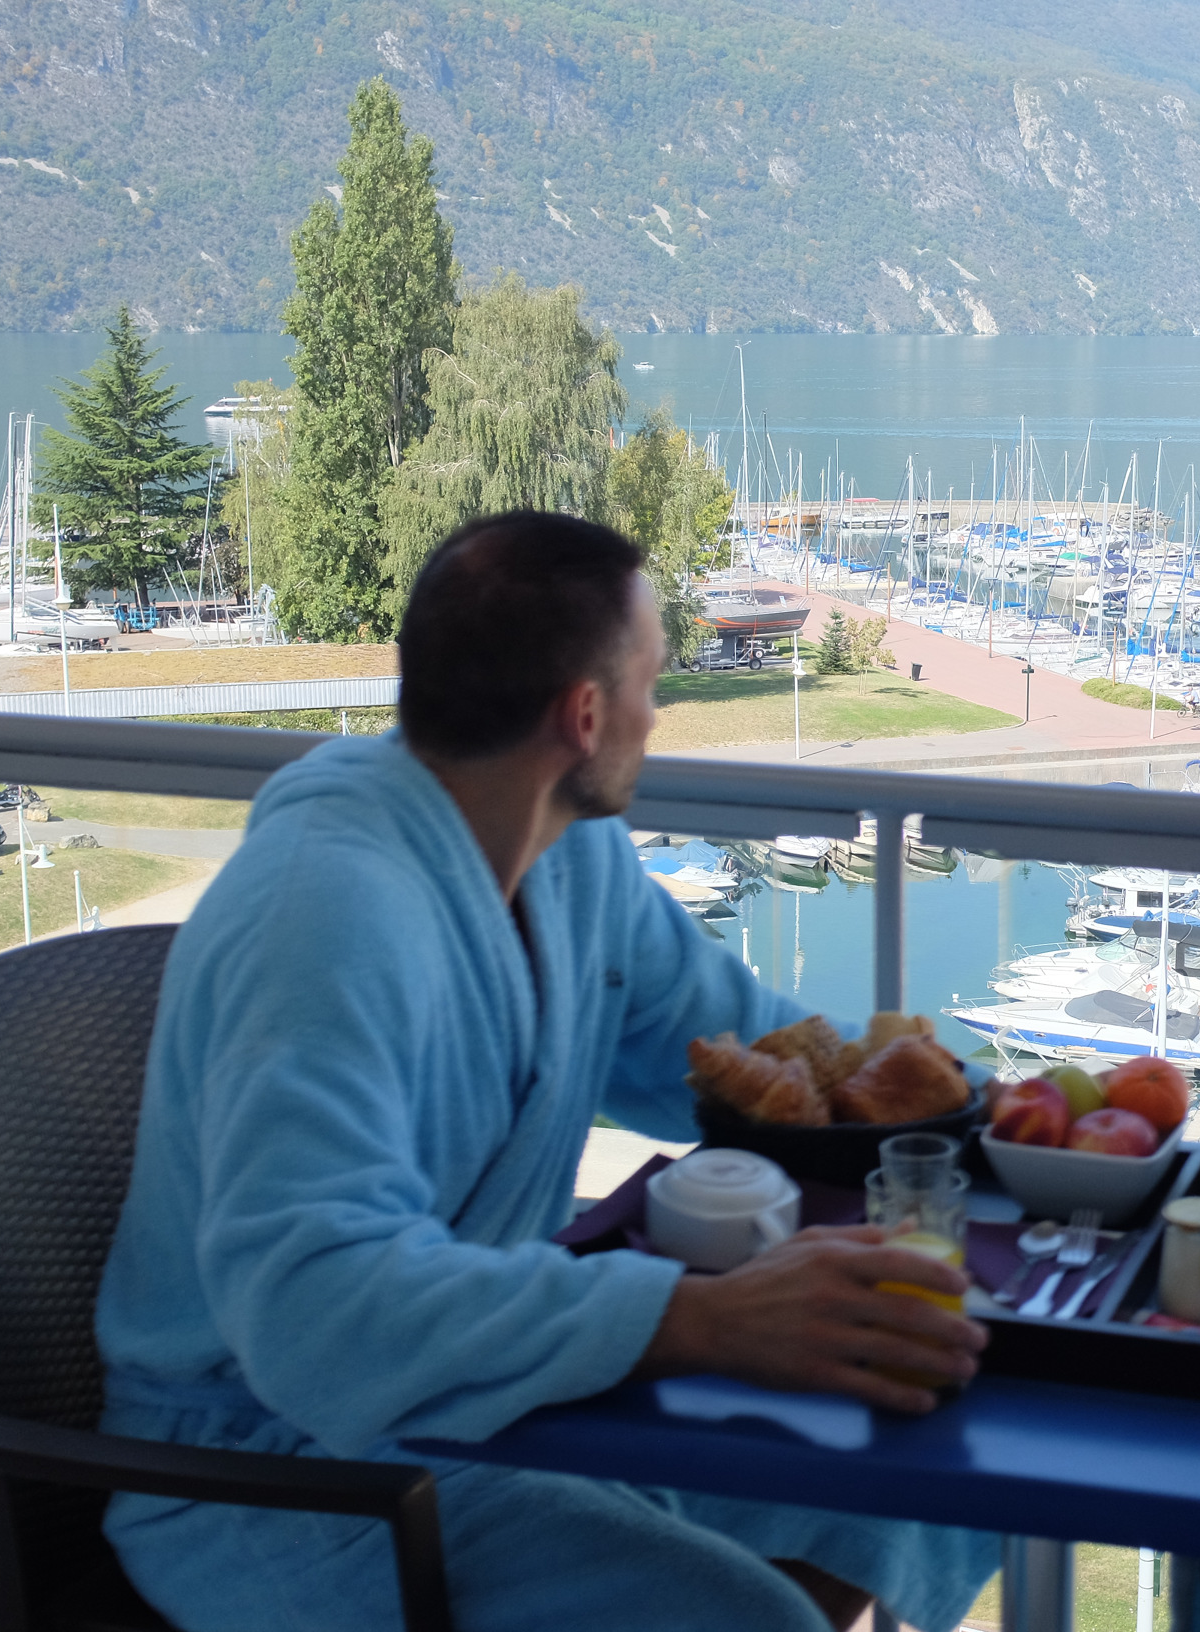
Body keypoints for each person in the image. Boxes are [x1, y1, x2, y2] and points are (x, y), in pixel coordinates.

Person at [96, 512, 999, 1632]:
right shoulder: (322, 919)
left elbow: (748, 1056)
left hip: (503, 1395)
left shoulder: (571, 858)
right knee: (749, 1621)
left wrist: (986, 1114)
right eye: (652, 685)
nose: (657, 718)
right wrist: (703, 1321)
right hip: (276, 1467)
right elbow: (314, 1305)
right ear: (585, 716)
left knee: (915, 1482)